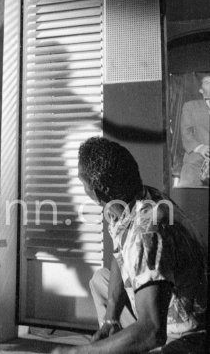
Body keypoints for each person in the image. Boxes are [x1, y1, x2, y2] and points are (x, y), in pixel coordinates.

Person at [52, 137, 207, 354]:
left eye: (82, 181)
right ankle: (120, 337)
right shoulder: (126, 203)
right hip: (164, 310)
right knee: (100, 280)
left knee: (145, 337)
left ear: (99, 190)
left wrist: (80, 352)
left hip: (189, 334)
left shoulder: (147, 230)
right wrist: (110, 320)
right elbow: (120, 256)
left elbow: (153, 330)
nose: (82, 187)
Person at [179, 74, 210, 187]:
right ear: (201, 90)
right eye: (207, 82)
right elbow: (186, 132)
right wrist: (200, 147)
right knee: (189, 197)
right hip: (196, 160)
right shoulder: (190, 106)